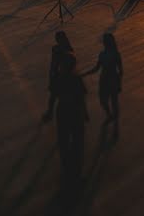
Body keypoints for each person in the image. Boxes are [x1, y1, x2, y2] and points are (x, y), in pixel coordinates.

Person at [54, 53, 87, 187]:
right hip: (75, 111)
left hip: (62, 111)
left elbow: (54, 95)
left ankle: (66, 166)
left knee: (64, 140)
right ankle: (76, 168)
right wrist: (85, 113)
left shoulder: (58, 78)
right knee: (77, 140)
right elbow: (81, 97)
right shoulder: (76, 79)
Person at [84, 33, 123, 134]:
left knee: (110, 101)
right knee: (104, 101)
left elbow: (120, 70)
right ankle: (111, 117)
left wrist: (119, 83)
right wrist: (85, 73)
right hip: (106, 80)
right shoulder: (103, 54)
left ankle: (114, 122)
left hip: (111, 80)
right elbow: (97, 68)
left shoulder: (115, 54)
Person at [42, 31, 74, 122]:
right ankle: (51, 113)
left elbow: (55, 64)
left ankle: (51, 114)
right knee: (54, 97)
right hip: (58, 75)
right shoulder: (64, 48)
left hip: (60, 75)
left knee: (56, 97)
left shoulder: (61, 49)